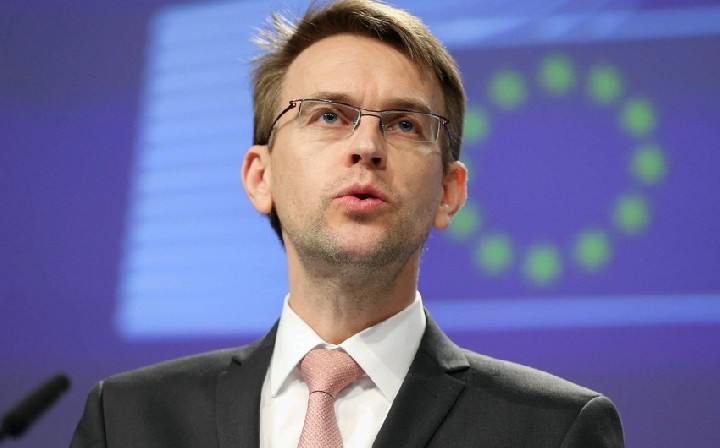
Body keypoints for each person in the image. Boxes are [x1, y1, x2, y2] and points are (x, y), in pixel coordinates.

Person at [70, 1, 624, 446]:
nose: (367, 146)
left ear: (449, 193)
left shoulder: (552, 429)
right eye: (329, 115)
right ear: (261, 176)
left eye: (404, 125)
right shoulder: (127, 420)